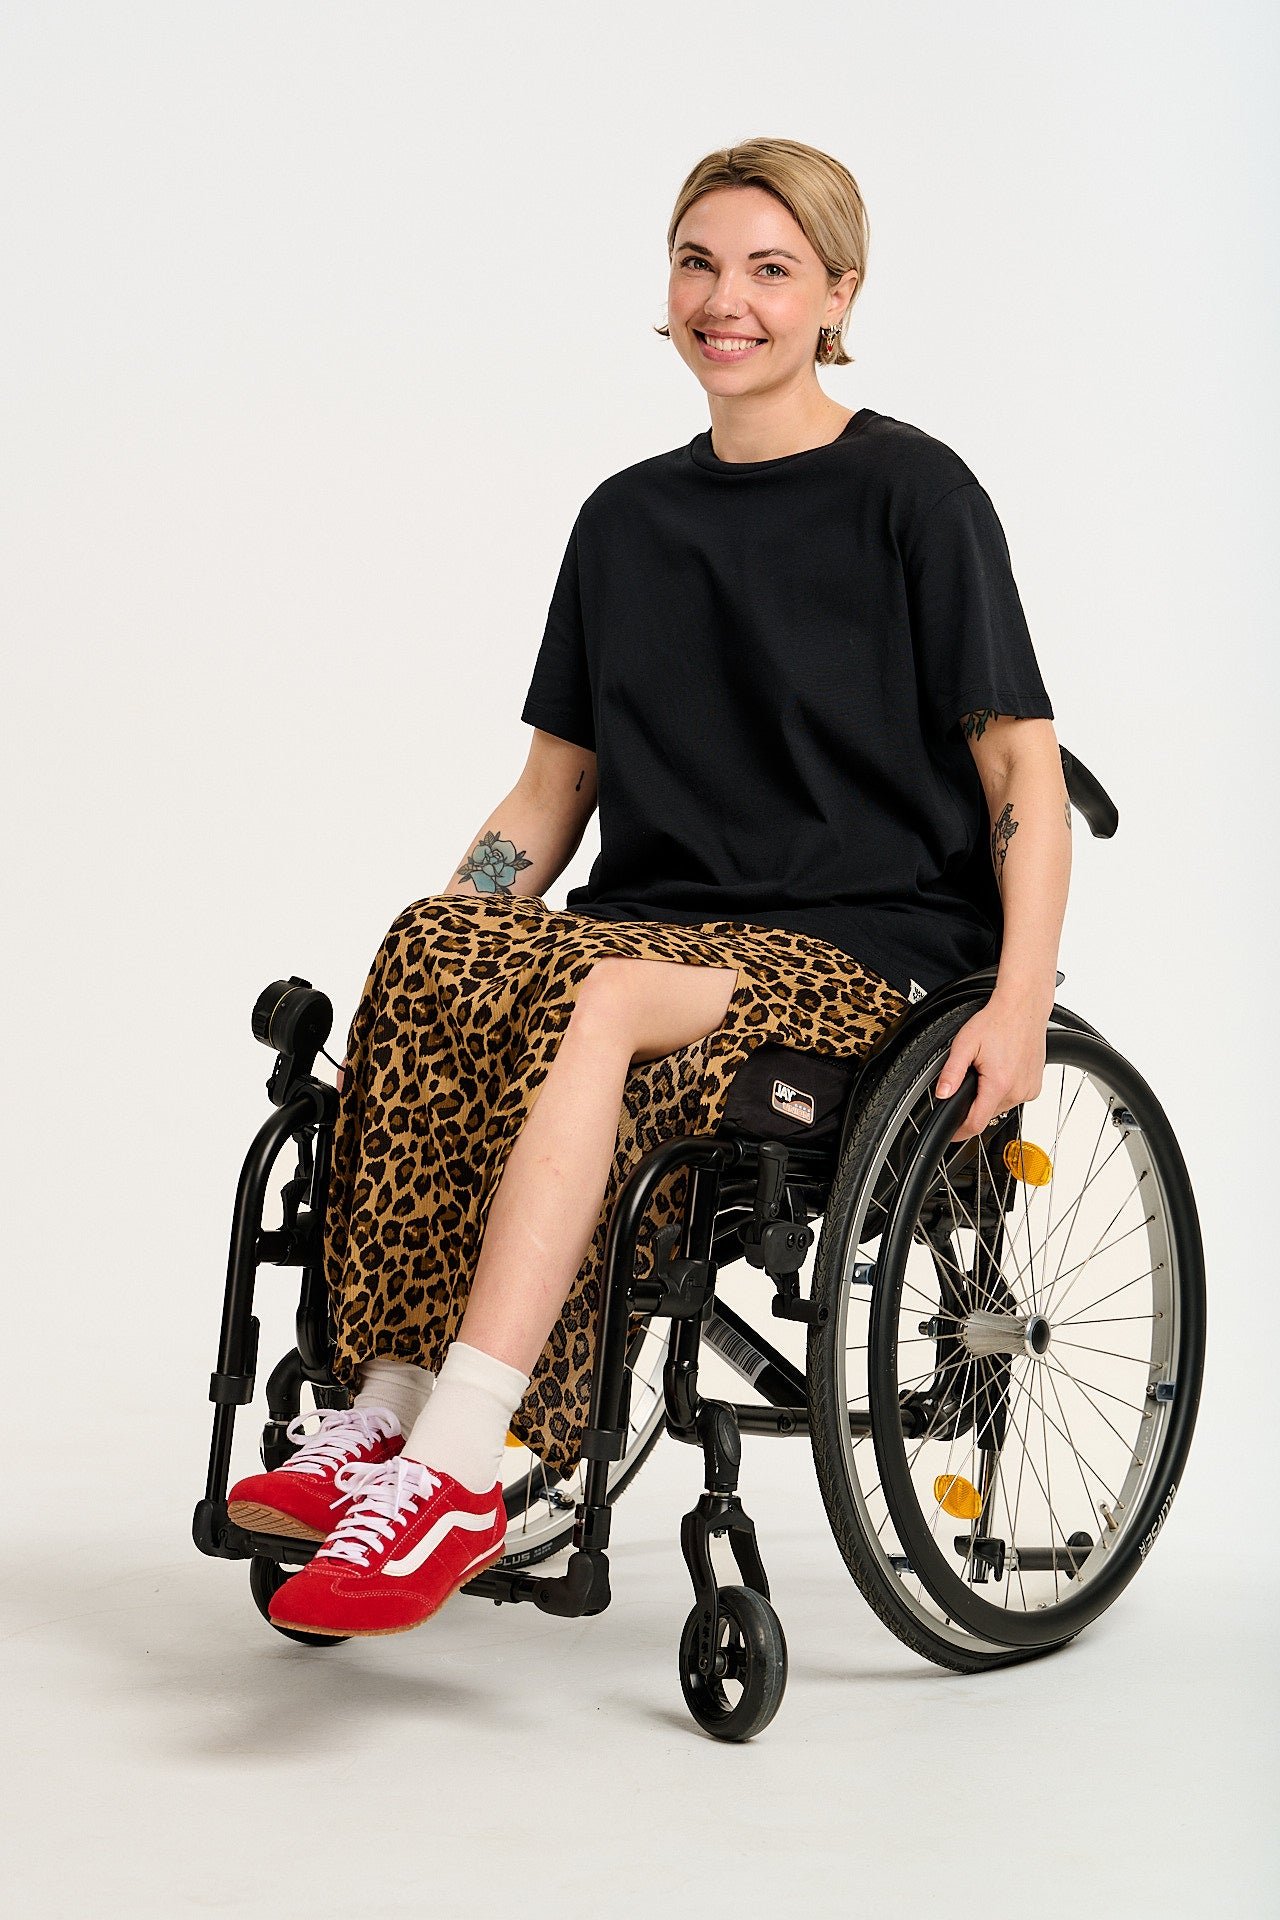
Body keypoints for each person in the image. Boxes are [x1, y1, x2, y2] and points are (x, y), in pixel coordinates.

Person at [228, 135, 1071, 1641]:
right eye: (698, 263)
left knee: (603, 996)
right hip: (658, 933)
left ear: (838, 295)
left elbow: (1023, 768)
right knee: (434, 945)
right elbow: (552, 793)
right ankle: (387, 1413)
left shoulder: (915, 493)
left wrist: (1016, 1007)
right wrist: (447, 970)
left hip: (863, 950)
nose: (724, 300)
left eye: (769, 270)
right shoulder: (625, 521)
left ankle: (462, 1463)